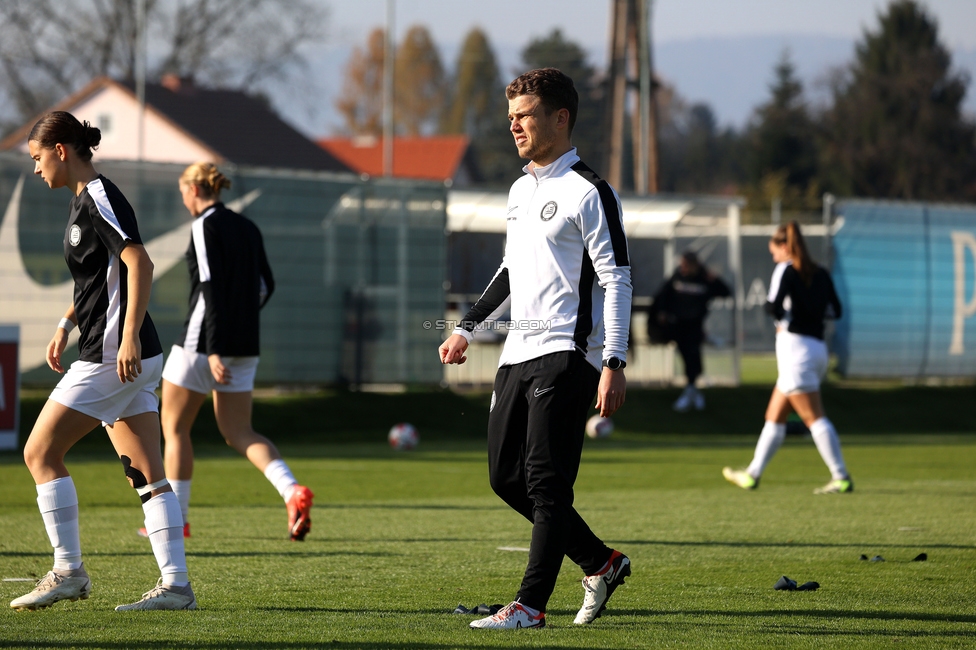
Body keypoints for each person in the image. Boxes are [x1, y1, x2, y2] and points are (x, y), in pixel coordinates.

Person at [439, 68, 633, 630]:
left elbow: (617, 278)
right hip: (515, 355)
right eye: (511, 118)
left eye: (524, 116)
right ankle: (600, 561)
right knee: (506, 479)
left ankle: (530, 606)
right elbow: (509, 271)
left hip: (568, 356)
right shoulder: (521, 190)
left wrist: (614, 361)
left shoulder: (591, 192)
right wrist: (466, 328)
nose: (515, 126)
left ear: (560, 118)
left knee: (548, 484)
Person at [12, 111, 194, 612]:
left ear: (61, 150)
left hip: (113, 356)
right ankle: (176, 586)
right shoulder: (81, 201)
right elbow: (98, 278)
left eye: (37, 158)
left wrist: (128, 335)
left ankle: (68, 571)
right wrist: (65, 324)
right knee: (148, 475)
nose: (35, 169)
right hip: (122, 353)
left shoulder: (98, 195)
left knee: (39, 453)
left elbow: (139, 261)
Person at [141, 162, 314, 542]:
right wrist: (237, 328)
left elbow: (209, 286)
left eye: (182, 190)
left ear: (193, 188)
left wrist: (214, 346)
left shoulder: (205, 224)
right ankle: (292, 491)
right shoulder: (247, 226)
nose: (182, 197)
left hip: (203, 344)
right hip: (242, 345)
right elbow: (266, 286)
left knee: (174, 428)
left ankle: (177, 520)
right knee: (239, 431)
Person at [723, 221, 853, 494]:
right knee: (774, 416)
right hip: (816, 349)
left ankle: (840, 476)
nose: (774, 258)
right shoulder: (821, 272)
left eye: (774, 252)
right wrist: (811, 316)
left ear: (785, 247)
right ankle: (752, 474)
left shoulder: (786, 270)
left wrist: (783, 317)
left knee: (814, 418)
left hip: (796, 351)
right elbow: (836, 310)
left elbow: (773, 306)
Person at [650, 250, 731, 412]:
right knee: (687, 355)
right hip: (678, 325)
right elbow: (662, 295)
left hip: (695, 326)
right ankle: (692, 390)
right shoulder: (677, 276)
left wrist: (714, 279)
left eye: (687, 265)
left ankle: (691, 390)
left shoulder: (704, 278)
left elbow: (726, 292)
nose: (683, 267)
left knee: (693, 354)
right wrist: (662, 313)